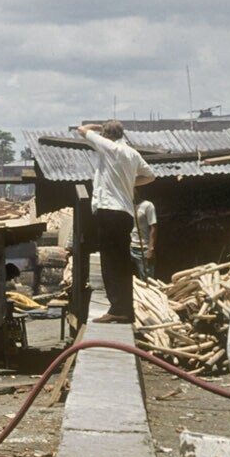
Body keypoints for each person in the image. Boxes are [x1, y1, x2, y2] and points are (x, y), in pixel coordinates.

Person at [77, 121, 154, 323]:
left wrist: (97, 126)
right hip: (125, 213)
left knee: (110, 262)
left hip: (109, 210)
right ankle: (125, 309)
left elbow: (82, 130)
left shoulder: (109, 147)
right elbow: (150, 176)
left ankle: (117, 308)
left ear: (106, 135)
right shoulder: (132, 153)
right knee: (122, 262)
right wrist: (128, 183)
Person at [133, 196, 158, 282]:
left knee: (147, 280)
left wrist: (151, 248)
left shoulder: (147, 205)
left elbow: (153, 227)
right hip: (131, 246)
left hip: (143, 248)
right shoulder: (128, 205)